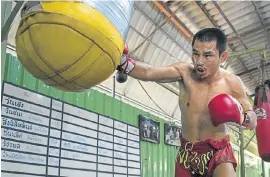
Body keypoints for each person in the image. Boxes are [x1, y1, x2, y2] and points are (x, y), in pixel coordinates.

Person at [117, 28, 257, 177]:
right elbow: (149, 72)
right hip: (187, 154)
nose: (199, 62)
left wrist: (244, 117)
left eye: (207, 55)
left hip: (218, 152)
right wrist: (124, 64)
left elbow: (252, 120)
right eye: (195, 54)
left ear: (223, 57)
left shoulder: (232, 83)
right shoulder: (184, 72)